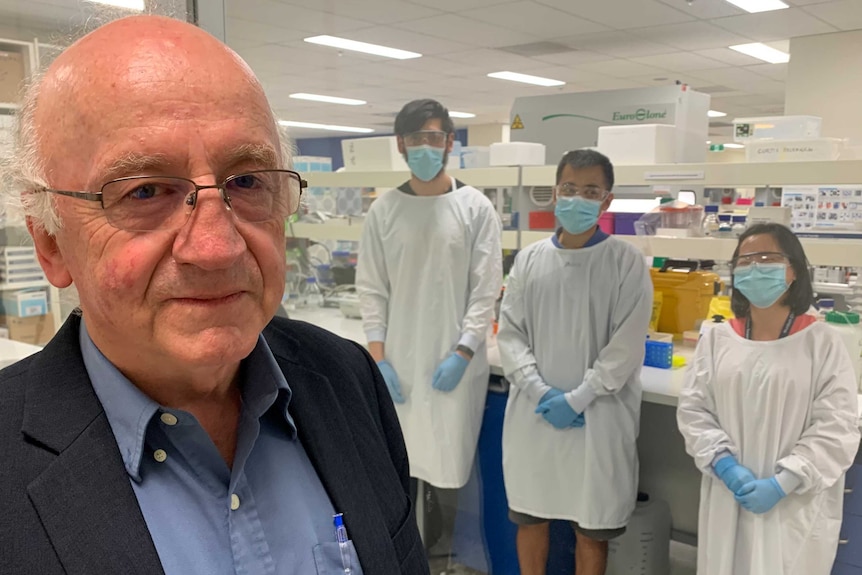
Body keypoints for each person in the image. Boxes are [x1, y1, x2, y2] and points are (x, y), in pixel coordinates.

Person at [0, 15, 428, 575]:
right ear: (51, 243)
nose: (217, 247)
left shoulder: (346, 379)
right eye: (145, 191)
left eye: (247, 182)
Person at [498, 149, 652, 575]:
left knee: (591, 530)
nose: (576, 198)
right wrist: (541, 391)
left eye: (590, 190)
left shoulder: (626, 263)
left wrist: (580, 397)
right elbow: (510, 334)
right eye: (569, 188)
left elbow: (624, 347)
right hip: (535, 415)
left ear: (606, 201)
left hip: (599, 420)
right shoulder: (530, 260)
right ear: (555, 192)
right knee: (532, 517)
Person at [677, 223, 859, 575]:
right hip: (728, 497)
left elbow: (837, 425)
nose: (756, 267)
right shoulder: (718, 340)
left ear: (794, 270)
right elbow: (695, 410)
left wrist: (785, 481)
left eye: (768, 258)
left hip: (792, 503)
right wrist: (724, 465)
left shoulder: (821, 342)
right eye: (745, 260)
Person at [356, 99, 503, 490]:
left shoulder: (476, 209)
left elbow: (485, 289)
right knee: (399, 468)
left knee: (447, 470)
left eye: (433, 137)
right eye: (415, 138)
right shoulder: (383, 211)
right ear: (401, 145)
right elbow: (372, 289)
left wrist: (464, 351)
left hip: (454, 362)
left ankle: (441, 546)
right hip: (397, 365)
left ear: (450, 142)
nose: (425, 146)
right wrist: (379, 360)